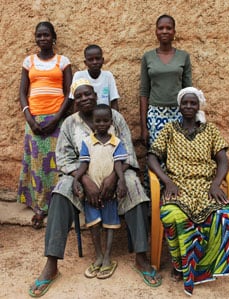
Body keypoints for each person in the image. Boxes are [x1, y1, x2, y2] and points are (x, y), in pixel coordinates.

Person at [28, 79, 162, 297]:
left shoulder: (115, 117)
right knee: (61, 191)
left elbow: (127, 151)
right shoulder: (70, 124)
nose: (84, 98)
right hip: (81, 175)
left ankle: (141, 258)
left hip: (116, 172)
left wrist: (112, 178)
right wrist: (84, 180)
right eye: (79, 96)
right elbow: (63, 158)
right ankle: (51, 265)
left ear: (95, 95)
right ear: (75, 102)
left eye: (88, 94)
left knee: (135, 186)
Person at [147, 87, 229, 296]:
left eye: (193, 103)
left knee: (227, 217)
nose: (189, 106)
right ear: (179, 106)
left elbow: (222, 160)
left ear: (198, 106)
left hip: (206, 187)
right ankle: (180, 265)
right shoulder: (170, 130)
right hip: (178, 186)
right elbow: (152, 156)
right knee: (173, 215)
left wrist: (216, 184)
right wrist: (167, 182)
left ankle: (203, 266)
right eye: (185, 103)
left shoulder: (210, 130)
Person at [17, 21, 72, 229]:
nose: (43, 39)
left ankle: (57, 205)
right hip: (34, 119)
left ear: (53, 37)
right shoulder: (28, 61)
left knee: (57, 164)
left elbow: (70, 92)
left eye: (46, 35)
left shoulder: (63, 61)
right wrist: (29, 119)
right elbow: (22, 93)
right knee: (37, 166)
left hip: (57, 119)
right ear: (35, 38)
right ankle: (40, 208)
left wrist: (57, 118)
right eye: (39, 35)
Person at [73, 103, 128, 279]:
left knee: (110, 223)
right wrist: (76, 179)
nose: (102, 124)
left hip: (108, 193)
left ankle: (107, 257)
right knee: (94, 224)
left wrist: (121, 182)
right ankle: (98, 255)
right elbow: (83, 165)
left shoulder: (116, 142)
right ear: (93, 123)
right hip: (93, 193)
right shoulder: (87, 142)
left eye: (105, 121)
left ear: (111, 122)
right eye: (98, 121)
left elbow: (119, 165)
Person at [140, 14, 192, 147]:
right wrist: (144, 127)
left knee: (179, 154)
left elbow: (188, 90)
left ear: (174, 32)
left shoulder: (183, 56)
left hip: (179, 113)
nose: (164, 31)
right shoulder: (148, 57)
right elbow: (144, 91)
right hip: (155, 115)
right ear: (156, 31)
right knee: (157, 156)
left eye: (168, 28)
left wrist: (190, 121)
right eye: (160, 28)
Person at [70, 44, 120, 111]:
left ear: (102, 60)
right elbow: (75, 102)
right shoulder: (79, 76)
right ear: (85, 62)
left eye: (97, 58)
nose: (95, 62)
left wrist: (115, 118)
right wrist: (76, 120)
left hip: (103, 116)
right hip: (85, 115)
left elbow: (114, 101)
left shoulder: (108, 76)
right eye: (90, 60)